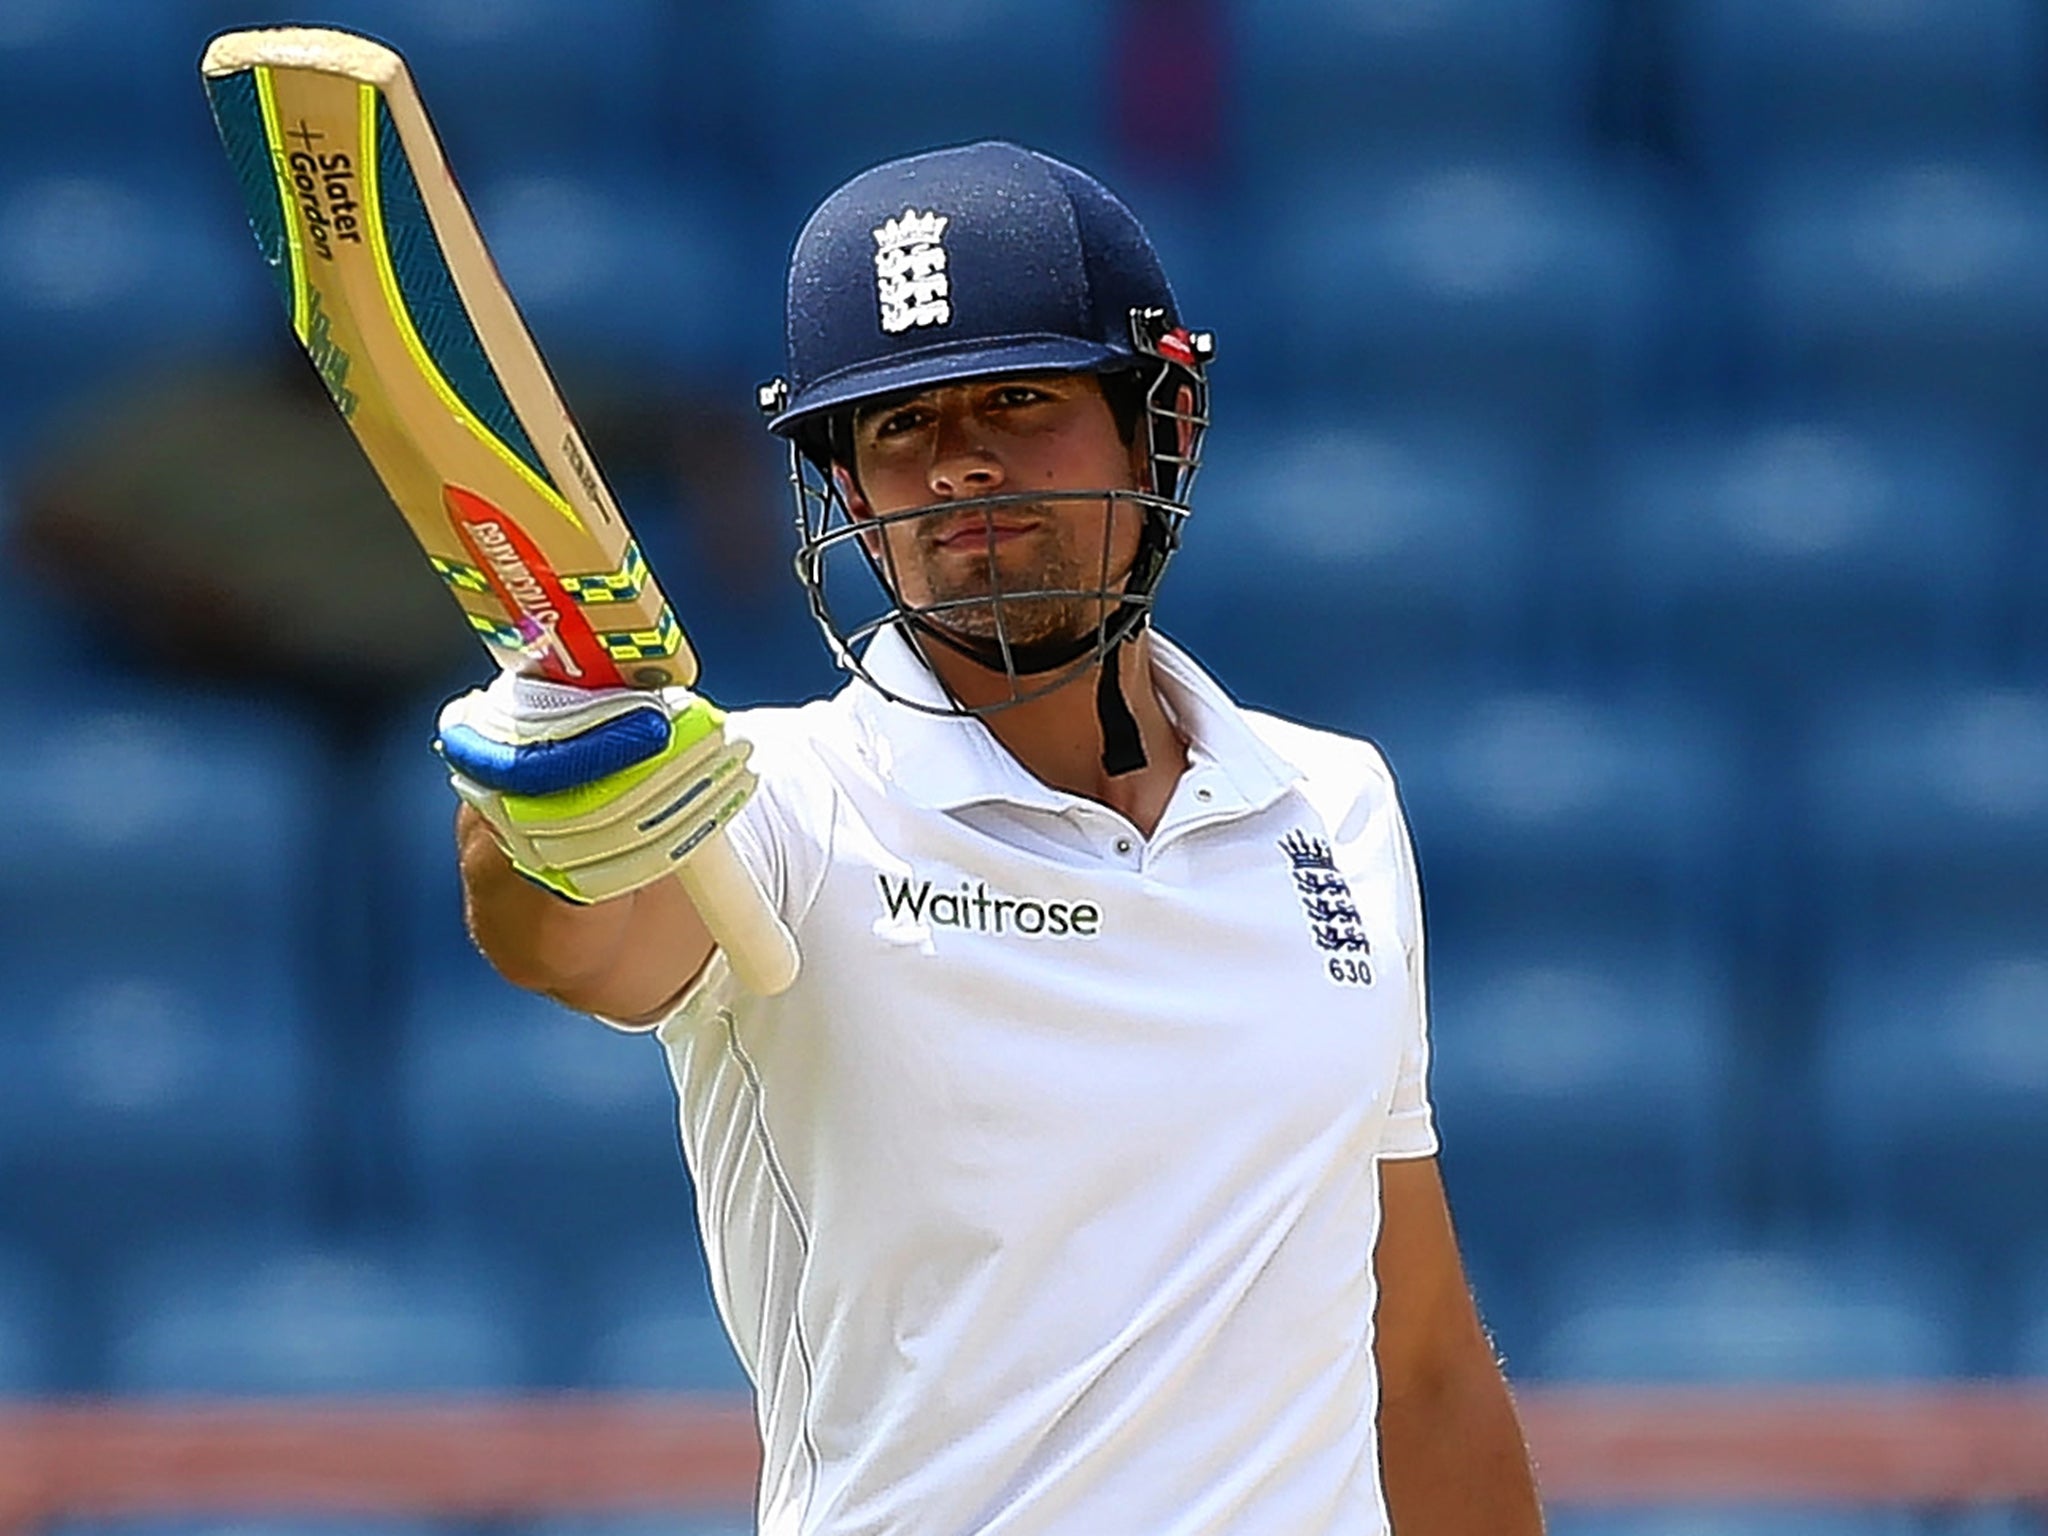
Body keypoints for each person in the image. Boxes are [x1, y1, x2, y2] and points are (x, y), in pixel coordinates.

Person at [440, 142, 1544, 1535]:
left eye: (1019, 401)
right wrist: (540, 815)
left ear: (1166, 423)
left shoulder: (1333, 806)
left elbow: (1423, 1366)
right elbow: (577, 938)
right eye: (899, 425)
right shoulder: (780, 800)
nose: (960, 464)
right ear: (846, 491)